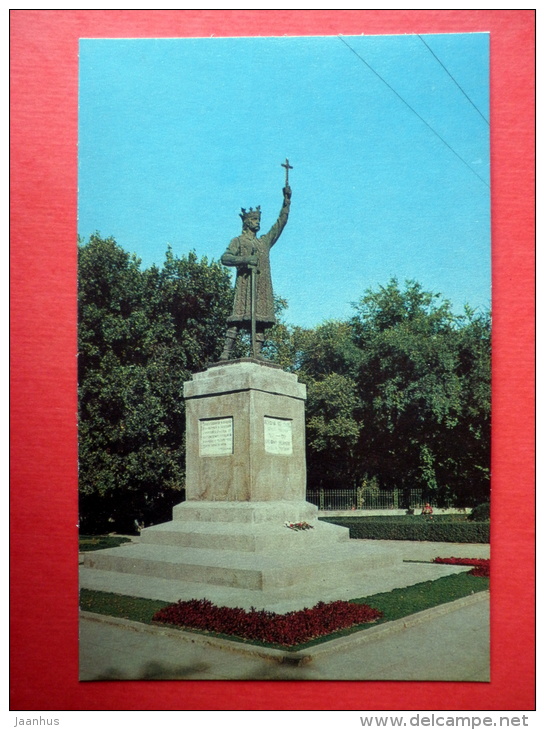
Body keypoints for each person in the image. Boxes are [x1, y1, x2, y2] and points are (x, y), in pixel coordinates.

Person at [219, 184, 291, 359]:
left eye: (259, 220)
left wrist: (286, 202)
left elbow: (279, 224)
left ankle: (257, 353)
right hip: (245, 285)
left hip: (261, 286)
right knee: (237, 317)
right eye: (254, 220)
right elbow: (225, 258)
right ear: (246, 222)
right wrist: (244, 260)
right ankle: (226, 353)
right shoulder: (238, 241)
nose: (257, 222)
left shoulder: (264, 242)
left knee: (260, 320)